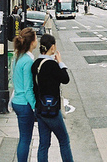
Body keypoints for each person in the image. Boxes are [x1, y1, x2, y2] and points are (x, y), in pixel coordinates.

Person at [32, 34, 74, 162]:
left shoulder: (35, 64)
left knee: (44, 144)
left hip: (40, 108)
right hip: (52, 110)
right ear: (53, 47)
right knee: (64, 140)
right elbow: (65, 79)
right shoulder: (52, 64)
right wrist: (60, 62)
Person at [11, 28, 37, 162]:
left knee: (23, 137)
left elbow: (13, 79)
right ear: (32, 42)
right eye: (36, 38)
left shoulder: (16, 57)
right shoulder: (28, 61)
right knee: (25, 139)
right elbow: (28, 88)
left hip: (16, 101)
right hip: (24, 104)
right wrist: (35, 106)